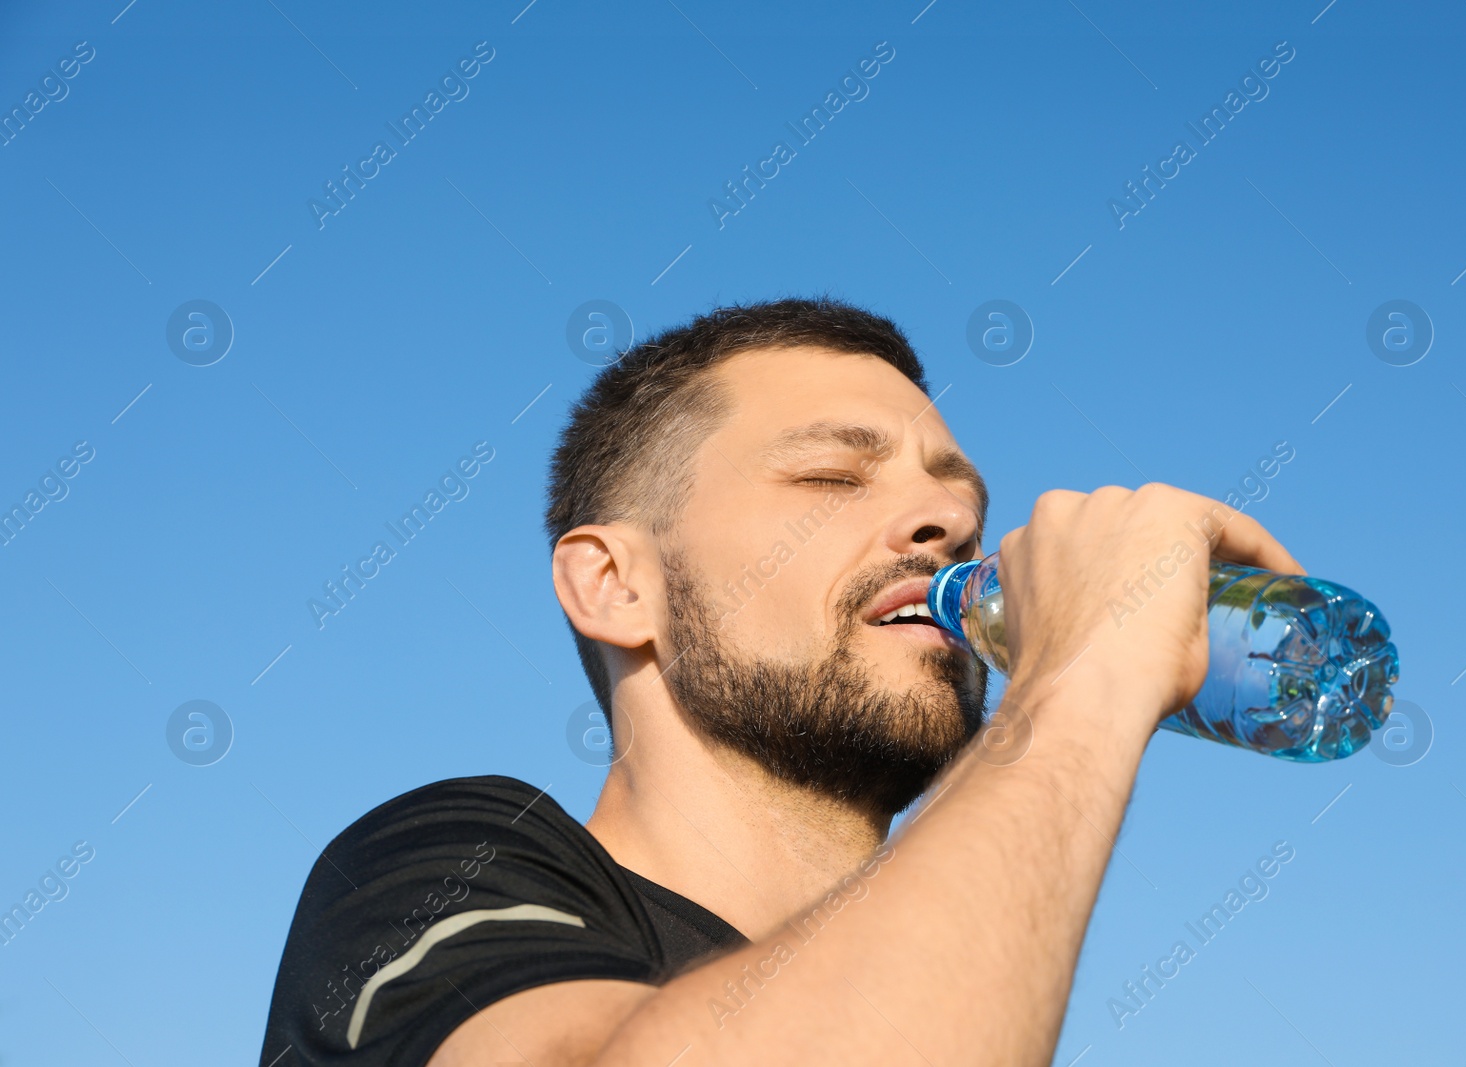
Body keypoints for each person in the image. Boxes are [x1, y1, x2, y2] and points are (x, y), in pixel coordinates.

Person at [258, 298, 1301, 1066]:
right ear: (616, 583)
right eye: (831, 477)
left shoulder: (987, 991)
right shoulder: (442, 862)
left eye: (960, 502)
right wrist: (1082, 681)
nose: (944, 525)